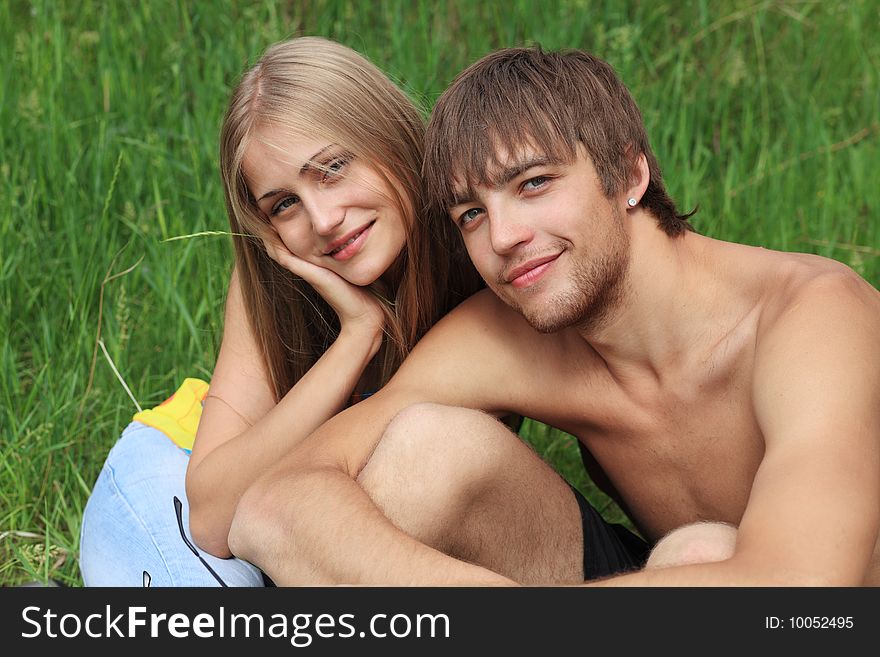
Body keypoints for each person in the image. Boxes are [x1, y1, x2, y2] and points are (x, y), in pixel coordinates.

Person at [227, 46, 880, 587]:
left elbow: (804, 586)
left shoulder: (814, 318)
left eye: (533, 183)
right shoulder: (507, 340)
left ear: (628, 173)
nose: (503, 236)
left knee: (702, 553)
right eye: (471, 214)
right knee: (427, 451)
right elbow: (272, 505)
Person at [78, 36, 484, 586]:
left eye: (333, 168)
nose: (322, 219)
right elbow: (213, 518)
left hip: (298, 518)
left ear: (388, 135)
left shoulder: (483, 247)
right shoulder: (274, 281)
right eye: (284, 204)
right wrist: (357, 336)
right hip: (178, 478)